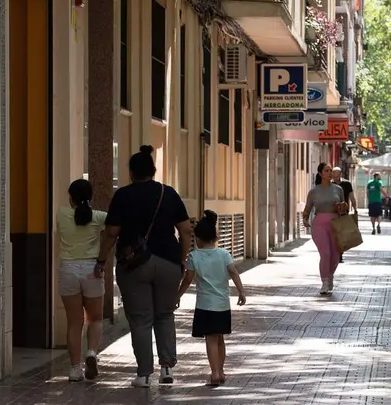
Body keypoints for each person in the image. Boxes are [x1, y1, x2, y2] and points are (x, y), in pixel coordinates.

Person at [96, 146, 193, 388]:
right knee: (165, 314)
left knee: (140, 319)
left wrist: (101, 260)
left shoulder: (122, 196)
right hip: (168, 262)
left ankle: (144, 374)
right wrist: (182, 258)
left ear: (130, 173)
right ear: (153, 170)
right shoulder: (168, 193)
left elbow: (111, 233)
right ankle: (167, 368)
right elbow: (185, 230)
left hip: (134, 265)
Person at [176, 210, 248, 387]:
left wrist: (177, 295)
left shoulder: (194, 256)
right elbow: (234, 272)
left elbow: (188, 279)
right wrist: (241, 292)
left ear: (198, 238)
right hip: (223, 305)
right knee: (220, 339)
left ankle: (214, 373)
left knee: (210, 340)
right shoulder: (224, 254)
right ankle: (221, 371)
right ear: (215, 237)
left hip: (205, 306)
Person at [56, 179, 107, 382]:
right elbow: (114, 229)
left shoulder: (61, 214)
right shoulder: (99, 217)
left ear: (71, 198)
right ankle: (92, 353)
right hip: (91, 269)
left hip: (68, 269)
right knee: (95, 318)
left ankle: (75, 369)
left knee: (74, 322)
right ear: (91, 197)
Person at [302, 163, 348, 295]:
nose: (329, 173)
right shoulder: (314, 192)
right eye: (326, 171)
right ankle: (325, 282)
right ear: (320, 174)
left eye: (330, 170)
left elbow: (344, 207)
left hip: (335, 223)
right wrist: (305, 219)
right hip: (319, 225)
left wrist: (342, 207)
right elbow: (308, 208)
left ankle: (330, 275)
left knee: (335, 255)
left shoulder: (338, 189)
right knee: (325, 254)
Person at [332, 166, 357, 263]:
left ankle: (340, 254)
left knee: (341, 235)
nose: (335, 178)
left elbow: (352, 197)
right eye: (333, 176)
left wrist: (355, 209)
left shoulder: (347, 184)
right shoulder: (330, 184)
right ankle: (334, 253)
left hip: (343, 212)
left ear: (340, 175)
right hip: (332, 212)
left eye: (336, 176)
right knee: (333, 234)